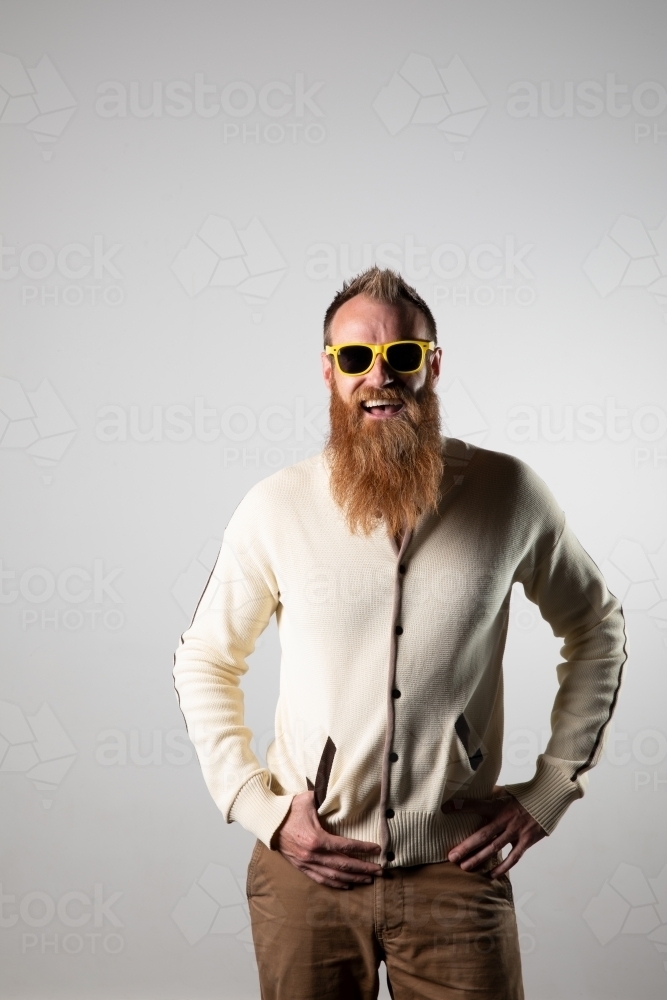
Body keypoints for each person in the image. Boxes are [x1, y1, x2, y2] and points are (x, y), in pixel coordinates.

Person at [173, 268, 627, 1000]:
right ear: (329, 372)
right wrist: (258, 806)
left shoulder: (507, 492)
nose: (378, 377)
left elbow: (596, 627)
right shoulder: (275, 506)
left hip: (456, 873)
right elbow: (204, 659)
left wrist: (551, 788)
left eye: (401, 356)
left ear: (433, 364)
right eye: (354, 358)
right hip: (305, 874)